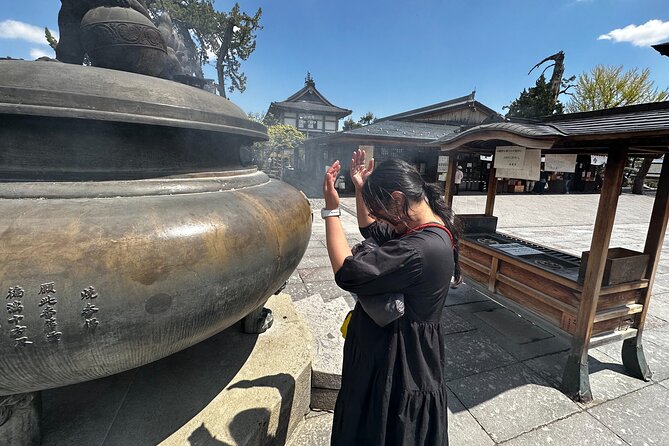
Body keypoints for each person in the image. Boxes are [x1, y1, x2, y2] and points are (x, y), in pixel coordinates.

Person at [322, 149, 460, 445]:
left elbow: (347, 273)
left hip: (399, 359)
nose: (384, 221)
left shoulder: (416, 250)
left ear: (397, 199)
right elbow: (372, 228)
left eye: (383, 209)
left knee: (384, 427)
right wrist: (362, 188)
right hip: (411, 348)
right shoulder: (430, 226)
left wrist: (331, 211)